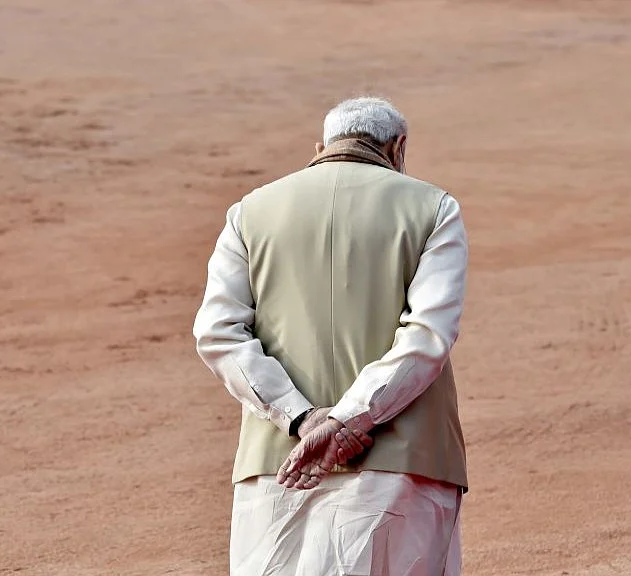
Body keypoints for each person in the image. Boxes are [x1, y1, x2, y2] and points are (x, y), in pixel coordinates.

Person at [193, 96, 469, 576]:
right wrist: (345, 423)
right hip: (402, 464)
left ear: (320, 147)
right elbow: (427, 338)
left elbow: (218, 333)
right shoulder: (434, 208)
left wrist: (303, 419)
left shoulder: (249, 212)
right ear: (398, 148)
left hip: (280, 465)